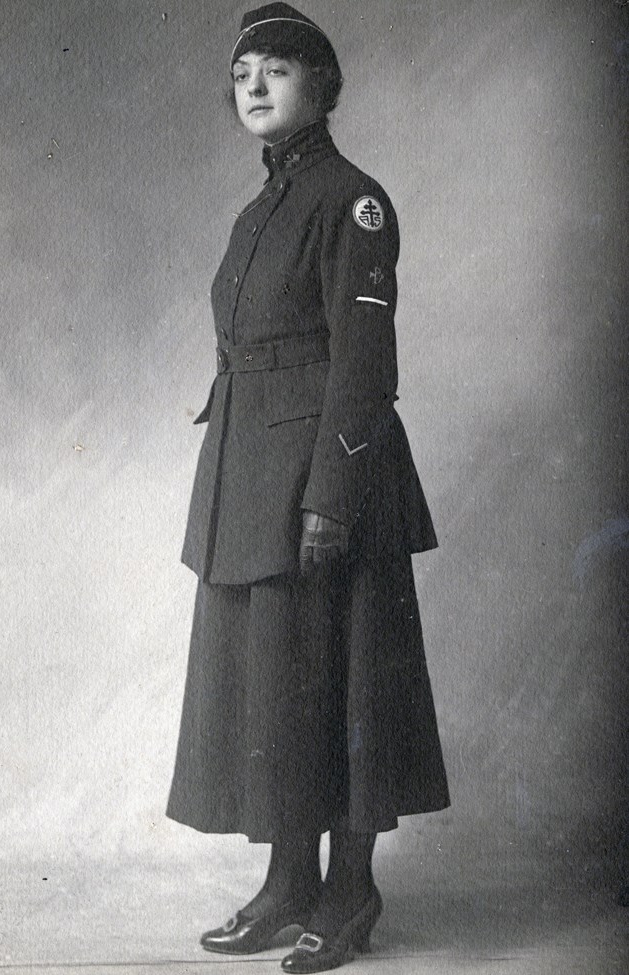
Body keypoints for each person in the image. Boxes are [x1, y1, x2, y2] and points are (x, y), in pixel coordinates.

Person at [166, 4, 450, 972]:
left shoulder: (350, 199)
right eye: (242, 69)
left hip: (330, 476)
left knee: (344, 679)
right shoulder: (259, 212)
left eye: (277, 69)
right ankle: (286, 885)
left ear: (320, 88)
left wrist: (330, 492)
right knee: (276, 690)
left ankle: (348, 891)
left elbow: (362, 363)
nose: (252, 84)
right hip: (251, 481)